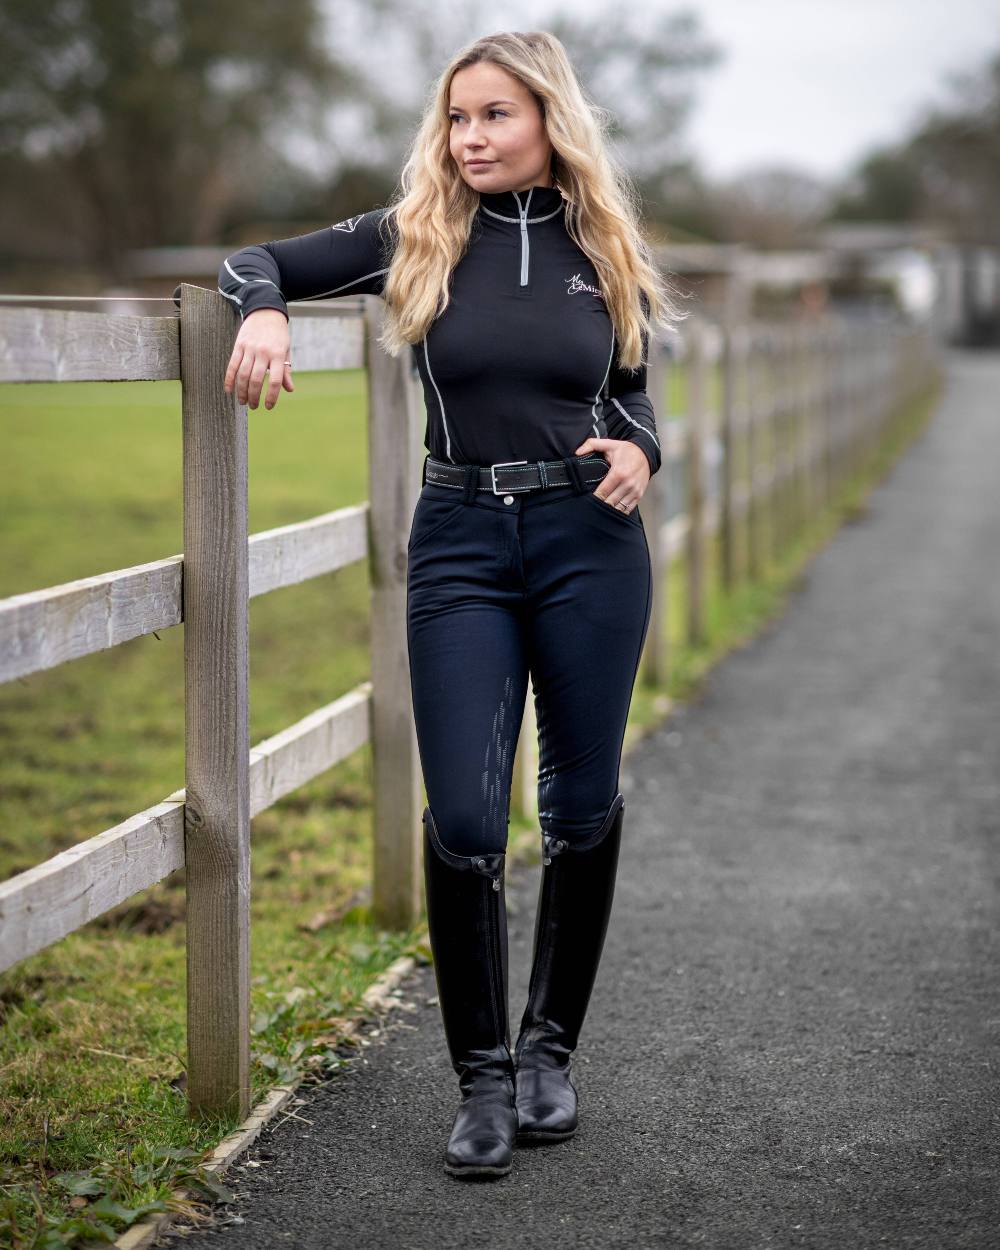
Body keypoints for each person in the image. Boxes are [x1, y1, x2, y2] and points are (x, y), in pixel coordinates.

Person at [219, 29, 685, 1180]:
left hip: (590, 541)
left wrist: (639, 458)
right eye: (457, 117)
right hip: (462, 542)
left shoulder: (604, 248)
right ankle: (479, 1076)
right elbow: (251, 260)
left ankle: (547, 1055)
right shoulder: (414, 235)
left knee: (579, 802)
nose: (470, 137)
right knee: (469, 818)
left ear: (548, 122)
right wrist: (264, 313)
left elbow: (629, 402)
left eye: (495, 116)